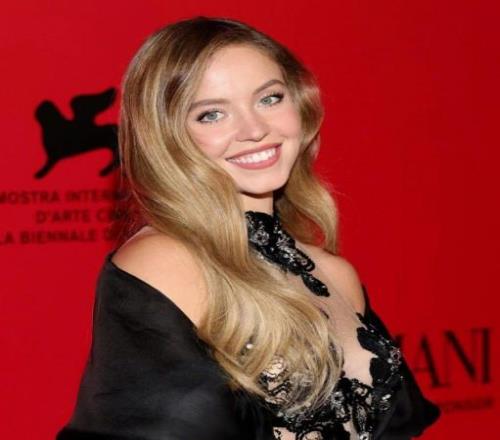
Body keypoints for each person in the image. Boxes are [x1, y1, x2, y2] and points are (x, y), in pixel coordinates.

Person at [56, 16, 440, 440]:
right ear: (166, 137)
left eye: (270, 98)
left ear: (300, 105)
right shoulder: (165, 263)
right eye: (212, 114)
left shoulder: (335, 275)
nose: (255, 130)